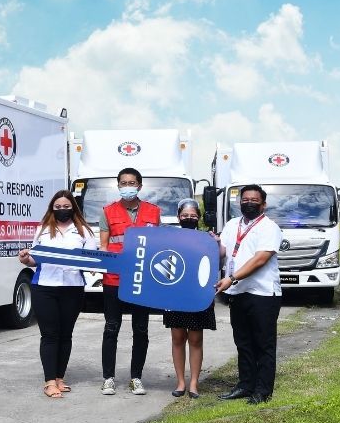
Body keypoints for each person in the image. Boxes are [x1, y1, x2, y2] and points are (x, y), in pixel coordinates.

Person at [18, 190, 98, 398]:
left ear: (73, 207)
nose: (62, 210)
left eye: (66, 206)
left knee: (65, 334)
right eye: (58, 207)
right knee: (50, 335)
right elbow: (35, 259)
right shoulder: (43, 230)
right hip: (45, 287)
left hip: (72, 288)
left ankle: (60, 378)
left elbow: (92, 259)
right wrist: (26, 259)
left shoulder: (84, 232)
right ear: (52, 209)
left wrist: (95, 266)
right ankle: (49, 381)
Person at [215, 184, 283, 405]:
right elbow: (224, 252)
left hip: (262, 293)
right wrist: (211, 244)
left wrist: (232, 278)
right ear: (239, 202)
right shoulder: (232, 224)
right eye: (245, 199)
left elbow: (260, 259)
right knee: (242, 342)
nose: (249, 203)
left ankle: (263, 390)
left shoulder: (269, 227)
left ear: (263, 204)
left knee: (263, 344)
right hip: (238, 292)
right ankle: (245, 385)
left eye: (254, 200)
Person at [98, 167, 161, 395]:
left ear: (139, 186)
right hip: (114, 279)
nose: (127, 186)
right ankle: (108, 378)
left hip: (141, 281)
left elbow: (157, 247)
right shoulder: (107, 212)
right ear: (118, 185)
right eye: (123, 183)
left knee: (141, 330)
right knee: (111, 328)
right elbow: (104, 247)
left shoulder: (154, 212)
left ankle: (136, 377)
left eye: (131, 182)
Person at [164, 198, 217, 399]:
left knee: (195, 339)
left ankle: (194, 383)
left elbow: (219, 258)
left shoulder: (207, 238)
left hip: (198, 294)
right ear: (178, 216)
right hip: (174, 294)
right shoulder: (169, 237)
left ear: (199, 218)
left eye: (193, 215)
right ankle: (180, 382)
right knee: (177, 338)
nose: (188, 218)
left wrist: (217, 242)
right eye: (185, 215)